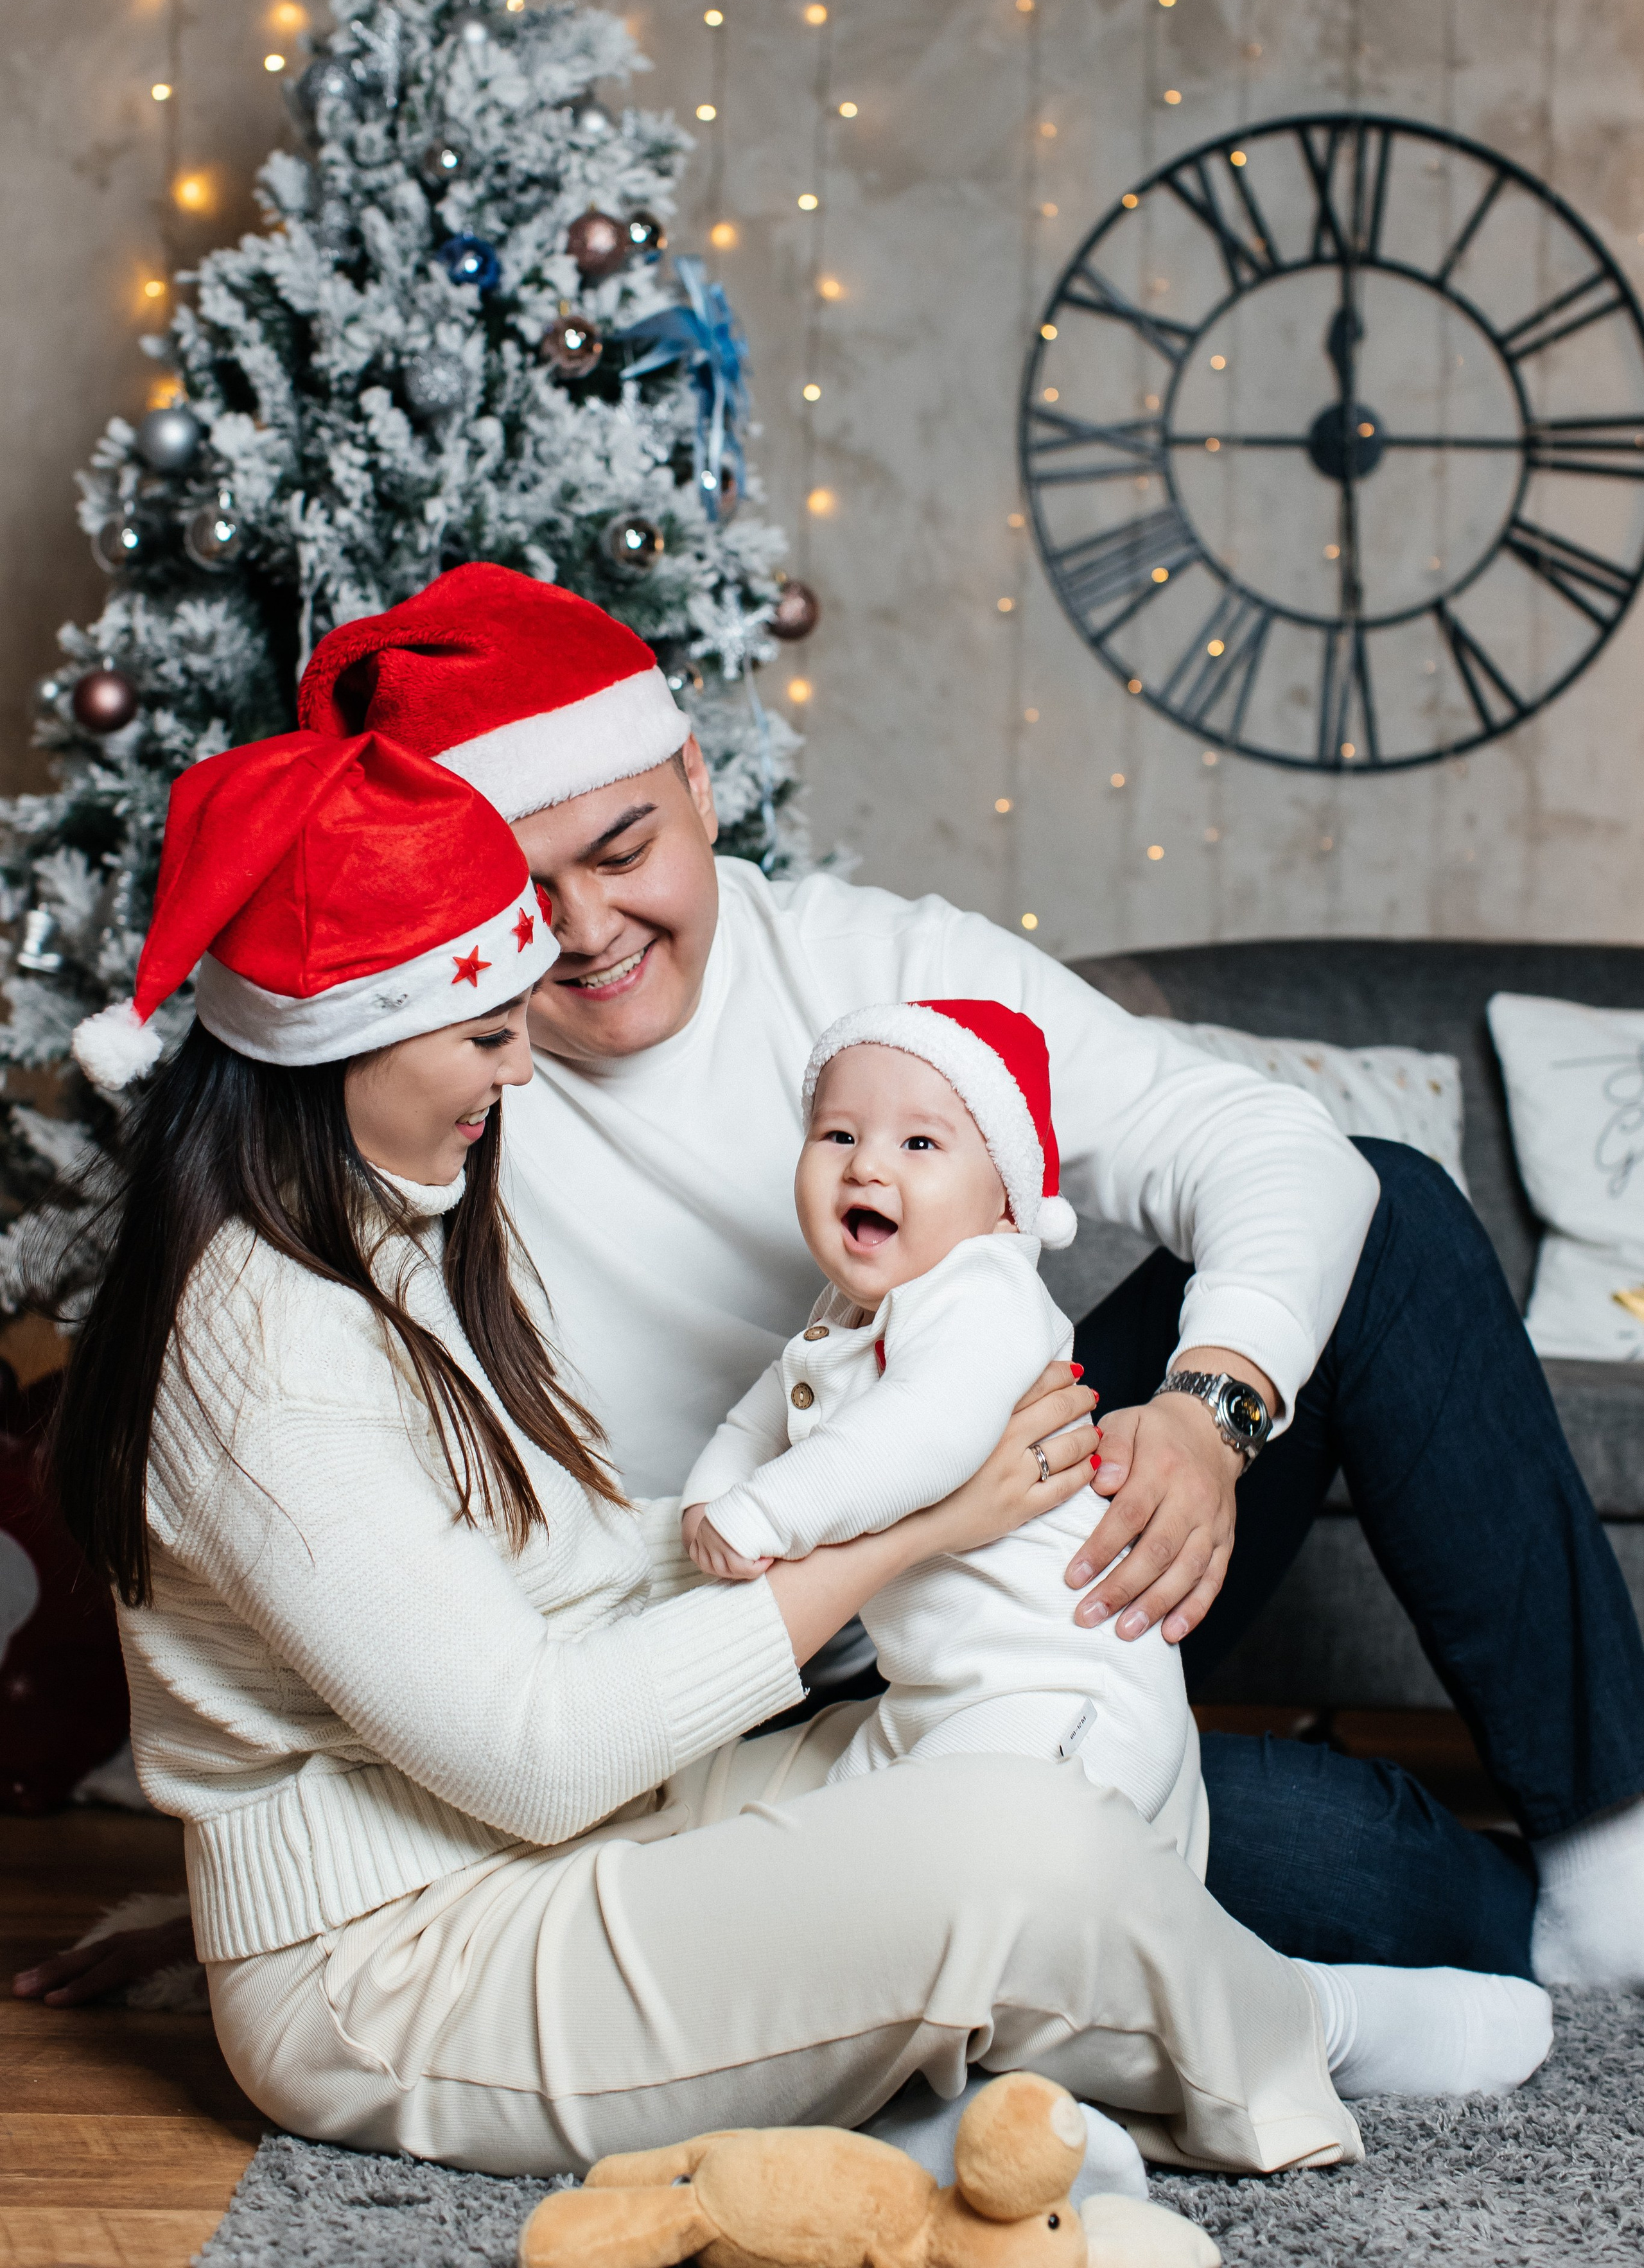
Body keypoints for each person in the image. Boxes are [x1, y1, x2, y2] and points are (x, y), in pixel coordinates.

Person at [38, 718, 1552, 2174]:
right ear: (347, 1039)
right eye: (491, 1034)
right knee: (1025, 1843)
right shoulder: (254, 1345)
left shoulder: (370, 1226)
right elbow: (537, 1749)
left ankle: (982, 2061)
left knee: (995, 1748)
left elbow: (512, 1579)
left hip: (532, 1828)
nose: (519, 1077)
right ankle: (1313, 2025)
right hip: (403, 1970)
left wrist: (786, 1518)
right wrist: (906, 1531)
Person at [288, 561, 1644, 1992]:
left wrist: (1203, 1411)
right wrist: (317, 1884)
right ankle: (1486, 1912)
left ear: (695, 774)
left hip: (1034, 1566)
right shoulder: (434, 1079)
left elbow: (1259, 1141)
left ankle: (1611, 1837)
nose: (577, 928)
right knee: (1360, 1865)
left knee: (1396, 1209)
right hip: (772, 1706)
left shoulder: (864, 959)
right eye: (518, 885)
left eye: (623, 852)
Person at [683, 999, 1196, 1842]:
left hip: (1056, 1686)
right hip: (931, 1692)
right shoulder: (842, 1312)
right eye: (839, 1135)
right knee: (817, 1857)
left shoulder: (984, 1291)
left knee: (945, 1863)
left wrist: (763, 1515)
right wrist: (707, 1505)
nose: (866, 1167)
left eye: (918, 1143)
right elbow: (755, 1420)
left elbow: (924, 1434)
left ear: (1004, 1205)